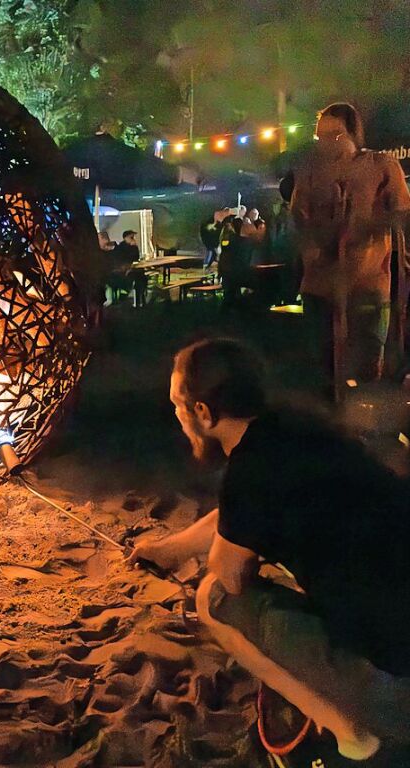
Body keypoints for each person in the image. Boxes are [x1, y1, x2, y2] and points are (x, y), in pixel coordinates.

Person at [130, 338, 410, 761]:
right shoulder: (297, 429)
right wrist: (171, 549)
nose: (177, 417)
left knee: (215, 600)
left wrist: (244, 559)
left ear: (203, 413)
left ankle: (353, 738)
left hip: (398, 691)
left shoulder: (251, 470)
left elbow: (230, 573)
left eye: (177, 405)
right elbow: (243, 513)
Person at [290, 102, 410, 385]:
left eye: (336, 134)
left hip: (367, 286)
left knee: (366, 371)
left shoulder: (381, 165)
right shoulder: (310, 174)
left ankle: (364, 423)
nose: (327, 143)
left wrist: (367, 228)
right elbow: (299, 220)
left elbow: (402, 213)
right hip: (320, 288)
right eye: (321, 137)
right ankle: (329, 424)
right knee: (322, 371)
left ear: (353, 134)